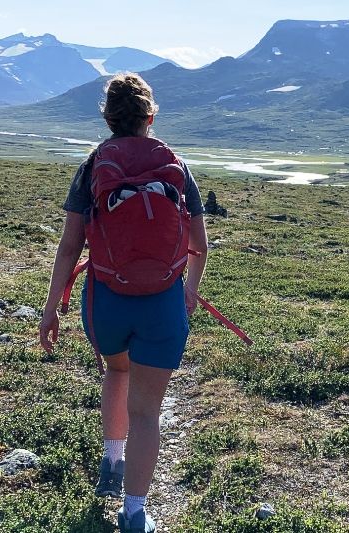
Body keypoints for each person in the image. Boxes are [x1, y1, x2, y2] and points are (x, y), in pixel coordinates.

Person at [39, 73, 207, 533]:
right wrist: (189, 287)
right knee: (147, 412)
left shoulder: (95, 164)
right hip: (163, 304)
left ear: (107, 118)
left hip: (107, 300)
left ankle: (111, 464)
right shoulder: (174, 163)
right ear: (150, 117)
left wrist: (51, 307)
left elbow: (70, 246)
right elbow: (200, 244)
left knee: (117, 371)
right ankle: (135, 513)